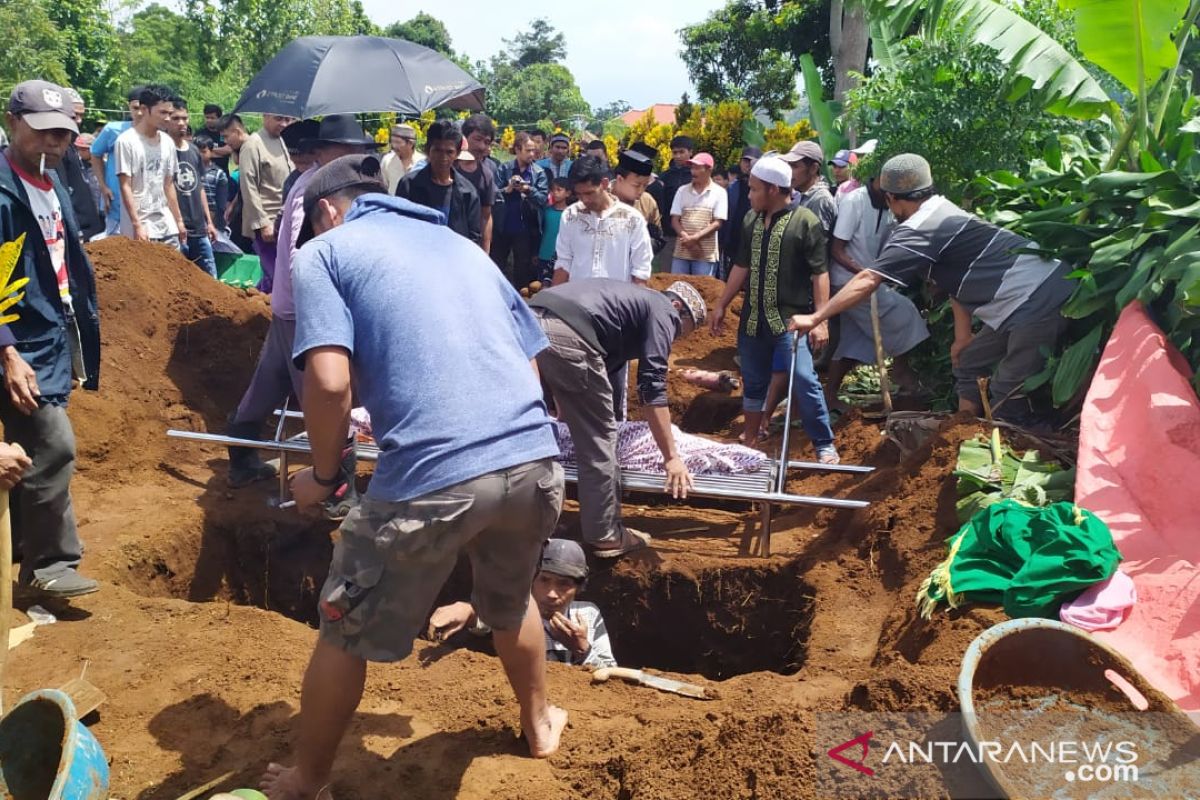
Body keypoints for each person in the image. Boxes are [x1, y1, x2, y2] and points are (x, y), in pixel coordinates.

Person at [259, 153, 568, 800]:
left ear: (326, 212)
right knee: (510, 603)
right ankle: (539, 725)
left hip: (436, 478)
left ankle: (305, 778)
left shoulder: (326, 252)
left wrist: (323, 476)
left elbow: (328, 381)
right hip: (535, 461)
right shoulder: (463, 248)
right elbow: (531, 362)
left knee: (343, 629)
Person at [787, 153, 1076, 420]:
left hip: (1037, 297)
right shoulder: (942, 209)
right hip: (1025, 295)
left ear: (890, 198)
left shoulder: (919, 229)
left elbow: (868, 279)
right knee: (969, 362)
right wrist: (962, 337)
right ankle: (962, 434)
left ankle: (1018, 452)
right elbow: (955, 280)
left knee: (1007, 389)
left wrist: (816, 317)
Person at [223, 116, 376, 515]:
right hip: (305, 309)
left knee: (268, 382)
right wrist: (319, 301)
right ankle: (336, 491)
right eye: (349, 150)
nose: (357, 157)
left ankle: (240, 456)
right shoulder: (314, 186)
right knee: (324, 398)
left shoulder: (318, 182)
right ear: (326, 152)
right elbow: (295, 249)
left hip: (291, 305)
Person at [0, 80, 102, 599]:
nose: (54, 143)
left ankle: (20, 558)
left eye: (63, 134)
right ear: (11, 121)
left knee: (27, 447)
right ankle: (49, 566)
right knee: (54, 443)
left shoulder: (52, 179)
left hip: (51, 331)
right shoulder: (1, 190)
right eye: (43, 132)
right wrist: (8, 351)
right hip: (17, 341)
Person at [528, 278, 706, 558]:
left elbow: (597, 371)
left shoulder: (623, 309)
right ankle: (605, 535)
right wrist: (671, 457)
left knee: (527, 429)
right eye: (681, 332)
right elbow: (651, 384)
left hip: (530, 320)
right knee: (599, 439)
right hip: (568, 331)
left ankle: (528, 521)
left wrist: (561, 402)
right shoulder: (663, 310)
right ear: (677, 307)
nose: (675, 338)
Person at [710, 156, 839, 464]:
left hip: (790, 322)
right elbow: (742, 265)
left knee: (804, 378)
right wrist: (721, 304)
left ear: (771, 189)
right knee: (753, 384)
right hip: (753, 321)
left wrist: (820, 320)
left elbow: (820, 273)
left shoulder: (805, 221)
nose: (750, 195)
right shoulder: (750, 221)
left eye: (754, 190)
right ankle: (752, 443)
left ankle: (824, 444)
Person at [429, 539, 617, 669]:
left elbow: (612, 676)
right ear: (531, 579)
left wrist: (582, 648)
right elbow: (488, 616)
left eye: (564, 584)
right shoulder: (518, 610)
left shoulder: (588, 614)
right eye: (545, 580)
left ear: (579, 587)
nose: (552, 594)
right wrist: (467, 610)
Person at [825, 174, 928, 409]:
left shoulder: (890, 203)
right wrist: (866, 273)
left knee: (855, 341)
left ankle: (829, 396)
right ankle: (900, 372)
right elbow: (837, 250)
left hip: (868, 282)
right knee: (906, 312)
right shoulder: (854, 201)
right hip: (849, 283)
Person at [551, 155, 651, 286]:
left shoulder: (632, 219)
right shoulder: (571, 215)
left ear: (604, 184)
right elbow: (564, 262)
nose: (584, 200)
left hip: (616, 302)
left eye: (589, 193)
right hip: (577, 300)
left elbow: (640, 271)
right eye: (579, 194)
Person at [114, 85, 185, 248]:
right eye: (162, 113)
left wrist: (178, 221)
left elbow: (168, 185)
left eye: (169, 113)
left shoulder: (168, 142)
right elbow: (125, 186)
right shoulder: (126, 141)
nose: (167, 118)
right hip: (142, 227)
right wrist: (137, 225)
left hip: (166, 224)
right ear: (145, 109)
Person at [395, 120, 481, 244]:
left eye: (449, 152)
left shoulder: (468, 192)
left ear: (457, 154)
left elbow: (473, 237)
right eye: (437, 150)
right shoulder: (409, 185)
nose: (443, 157)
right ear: (427, 150)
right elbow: (399, 228)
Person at [239, 113, 295, 290]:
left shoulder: (284, 141)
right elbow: (249, 187)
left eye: (288, 119)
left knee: (282, 274)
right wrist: (263, 223)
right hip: (267, 222)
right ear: (265, 116)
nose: (284, 124)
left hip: (285, 218)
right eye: (279, 119)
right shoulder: (253, 144)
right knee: (275, 275)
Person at [167, 100, 219, 276]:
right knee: (180, 276)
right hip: (175, 228)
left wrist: (209, 223)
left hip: (199, 227)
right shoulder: (164, 150)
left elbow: (200, 187)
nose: (181, 123)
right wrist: (177, 222)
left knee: (210, 276)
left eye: (184, 118)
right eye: (176, 118)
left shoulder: (194, 151)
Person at [492, 131, 549, 288]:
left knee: (522, 271)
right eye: (528, 150)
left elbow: (542, 199)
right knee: (496, 266)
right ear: (517, 149)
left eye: (534, 150)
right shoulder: (504, 169)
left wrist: (528, 190)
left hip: (525, 230)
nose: (532, 154)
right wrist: (507, 189)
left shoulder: (538, 173)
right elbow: (493, 194)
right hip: (502, 227)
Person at [89, 85, 142, 236]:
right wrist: (103, 187)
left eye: (142, 108)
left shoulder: (156, 135)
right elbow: (95, 153)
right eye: (135, 108)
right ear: (128, 107)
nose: (139, 113)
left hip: (143, 204)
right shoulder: (113, 130)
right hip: (116, 202)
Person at [53, 89, 104, 241]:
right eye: (75, 115)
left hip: (90, 230)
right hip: (75, 231)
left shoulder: (71, 147)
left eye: (82, 115)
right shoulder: (54, 150)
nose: (79, 120)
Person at [669, 152, 727, 277]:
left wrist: (695, 238)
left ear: (708, 170)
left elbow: (718, 223)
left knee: (702, 291)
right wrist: (687, 238)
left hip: (705, 254)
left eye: (697, 168)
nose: (693, 171)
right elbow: (675, 220)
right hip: (682, 251)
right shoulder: (682, 190)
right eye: (692, 168)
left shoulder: (719, 193)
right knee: (677, 288)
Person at [610, 147, 665, 253]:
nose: (641, 191)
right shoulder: (600, 198)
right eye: (636, 185)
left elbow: (658, 238)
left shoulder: (647, 201)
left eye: (645, 185)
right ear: (620, 179)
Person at [458, 113, 498, 253]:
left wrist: (485, 252)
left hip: (471, 246)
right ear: (464, 138)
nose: (481, 146)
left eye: (487, 142)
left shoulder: (486, 175)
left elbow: (486, 216)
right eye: (477, 139)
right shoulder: (448, 166)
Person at [780, 140, 836, 233]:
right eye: (788, 165)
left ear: (813, 168)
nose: (789, 171)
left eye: (794, 166)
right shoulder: (805, 196)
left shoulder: (820, 199)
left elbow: (818, 243)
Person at [725, 146, 761, 277]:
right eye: (745, 161)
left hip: (754, 242)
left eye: (752, 161)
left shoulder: (763, 187)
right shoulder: (732, 187)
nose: (748, 165)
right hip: (734, 242)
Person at [194, 134, 229, 235]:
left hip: (213, 219)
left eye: (204, 152)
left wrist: (214, 223)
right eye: (197, 152)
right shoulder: (190, 171)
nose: (200, 155)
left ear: (211, 152)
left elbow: (221, 204)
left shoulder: (218, 174)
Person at [537, 177, 569, 283]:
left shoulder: (571, 214)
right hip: (544, 254)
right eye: (552, 190)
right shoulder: (546, 211)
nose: (555, 193)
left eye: (559, 190)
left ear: (568, 193)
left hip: (562, 258)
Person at [380, 123, 424, 193]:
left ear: (410, 144)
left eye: (398, 142)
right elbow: (382, 188)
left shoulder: (422, 163)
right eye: (392, 142)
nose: (394, 146)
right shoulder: (387, 161)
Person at [74, 134, 104, 216]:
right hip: (86, 211)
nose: (80, 153)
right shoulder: (77, 165)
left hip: (103, 209)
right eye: (78, 149)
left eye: (83, 149)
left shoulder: (104, 165)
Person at [202, 103, 232, 174]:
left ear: (219, 118)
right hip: (205, 174)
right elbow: (199, 154)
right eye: (207, 117)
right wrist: (221, 152)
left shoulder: (225, 132)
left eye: (212, 118)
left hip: (223, 173)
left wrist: (208, 149)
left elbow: (229, 150)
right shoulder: (200, 134)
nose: (209, 120)